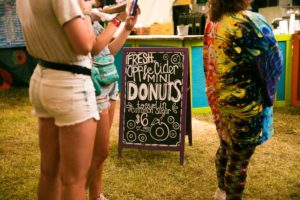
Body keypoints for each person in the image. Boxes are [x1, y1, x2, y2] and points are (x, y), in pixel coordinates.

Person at [16, 0, 99, 199]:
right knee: (74, 180)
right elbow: (85, 45)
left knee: (48, 172)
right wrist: (86, 13)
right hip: (70, 82)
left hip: (43, 76)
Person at [203, 0, 283, 199]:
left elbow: (208, 60)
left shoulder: (213, 21)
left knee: (226, 146)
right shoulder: (250, 21)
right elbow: (273, 63)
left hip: (221, 101)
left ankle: (220, 191)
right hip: (246, 105)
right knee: (239, 160)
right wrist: (268, 95)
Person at [87, 1, 139, 200]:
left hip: (110, 82)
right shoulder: (81, 17)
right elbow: (95, 48)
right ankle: (73, 190)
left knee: (99, 152)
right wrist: (118, 20)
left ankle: (95, 195)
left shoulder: (95, 16)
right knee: (99, 151)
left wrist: (127, 28)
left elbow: (108, 51)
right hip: (96, 85)